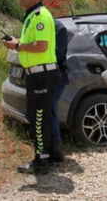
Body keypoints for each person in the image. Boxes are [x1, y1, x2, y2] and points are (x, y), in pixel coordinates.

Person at [2, 0, 61, 175]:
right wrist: (15, 41)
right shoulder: (31, 16)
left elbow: (41, 47)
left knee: (38, 118)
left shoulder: (41, 15)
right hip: (37, 75)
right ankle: (51, 155)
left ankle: (41, 161)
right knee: (39, 117)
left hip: (43, 75)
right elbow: (32, 43)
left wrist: (17, 47)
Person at [48, 19, 70, 163]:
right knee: (48, 112)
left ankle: (55, 151)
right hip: (47, 76)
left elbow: (57, 55)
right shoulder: (53, 27)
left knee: (50, 111)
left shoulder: (58, 28)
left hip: (55, 76)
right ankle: (52, 150)